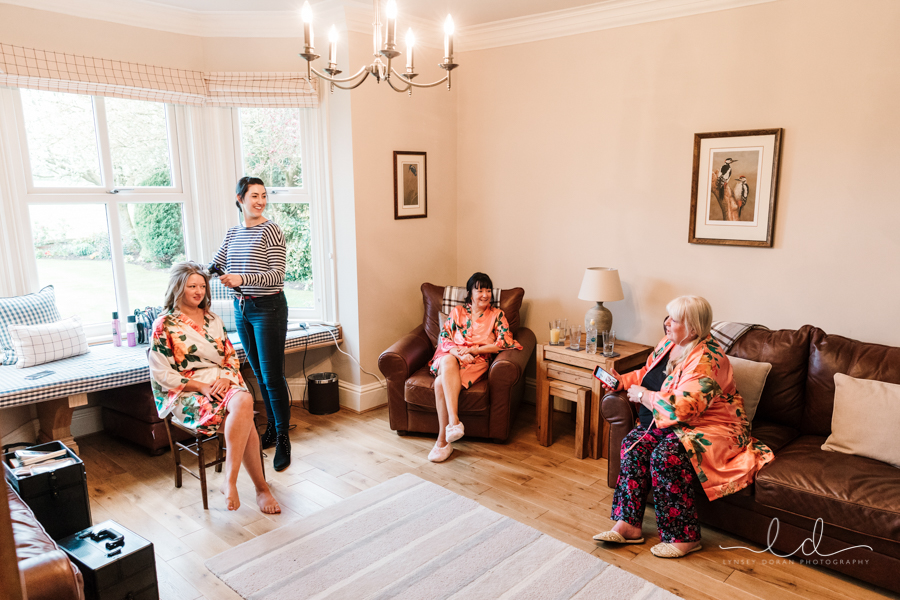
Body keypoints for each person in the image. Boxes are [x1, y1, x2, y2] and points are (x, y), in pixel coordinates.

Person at [592, 295, 773, 558]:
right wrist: (623, 382)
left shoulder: (707, 360)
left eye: (674, 320)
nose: (666, 323)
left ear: (693, 329)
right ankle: (628, 525)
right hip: (674, 422)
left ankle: (684, 537)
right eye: (668, 317)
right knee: (634, 445)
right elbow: (647, 373)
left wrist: (644, 396)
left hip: (711, 425)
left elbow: (684, 408)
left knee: (666, 456)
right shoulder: (669, 343)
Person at [149, 261, 280, 514]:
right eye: (192, 286)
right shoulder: (164, 325)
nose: (199, 291)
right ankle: (261, 489)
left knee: (243, 400)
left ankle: (230, 481)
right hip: (188, 392)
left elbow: (230, 356)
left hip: (221, 383)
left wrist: (227, 378)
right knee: (245, 422)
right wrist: (201, 386)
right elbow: (161, 373)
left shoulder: (213, 319)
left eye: (202, 286)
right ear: (178, 288)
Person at [212, 177, 292, 471]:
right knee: (258, 374)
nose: (260, 201)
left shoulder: (271, 230)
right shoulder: (233, 233)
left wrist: (241, 278)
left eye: (263, 196)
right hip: (242, 307)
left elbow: (277, 275)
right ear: (240, 199)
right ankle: (270, 429)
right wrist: (192, 275)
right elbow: (216, 263)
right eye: (254, 196)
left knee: (272, 376)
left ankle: (283, 438)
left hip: (269, 308)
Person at [427, 272, 522, 463]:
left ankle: (442, 441)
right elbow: (444, 337)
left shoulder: (497, 315)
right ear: (470, 293)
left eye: (488, 290)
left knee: (439, 384)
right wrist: (458, 353)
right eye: (479, 290)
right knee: (447, 360)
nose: (485, 294)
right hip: (452, 356)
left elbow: (504, 342)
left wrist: (475, 350)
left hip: (476, 361)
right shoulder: (457, 312)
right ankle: (454, 422)